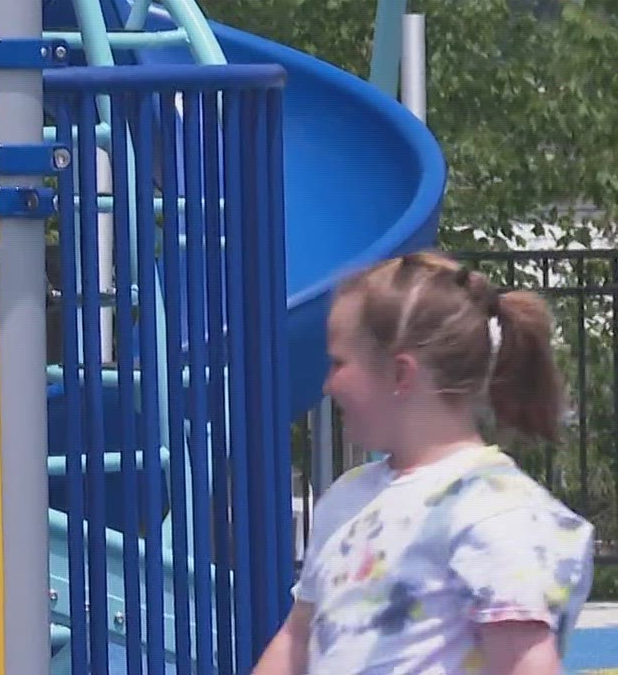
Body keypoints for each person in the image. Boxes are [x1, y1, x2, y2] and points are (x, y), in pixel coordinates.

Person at [252, 251, 595, 675]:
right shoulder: (349, 498)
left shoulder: (498, 513)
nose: (327, 384)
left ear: (401, 375)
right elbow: (297, 638)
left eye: (339, 363)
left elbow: (525, 665)